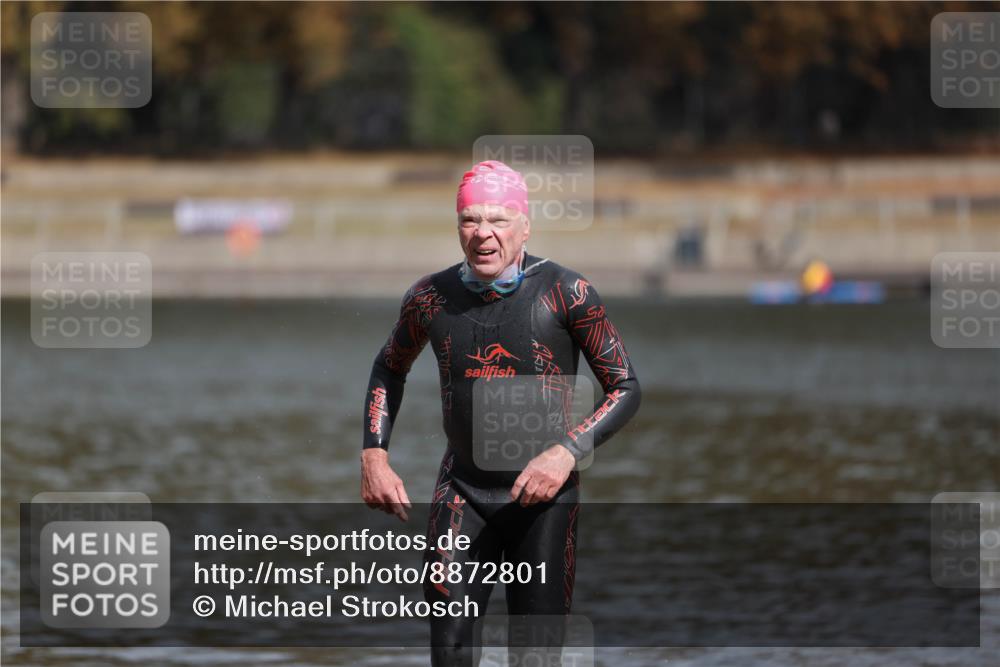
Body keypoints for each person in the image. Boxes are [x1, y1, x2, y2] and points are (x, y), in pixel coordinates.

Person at [360, 160, 641, 666]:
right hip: (462, 490)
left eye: (498, 220)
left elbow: (624, 387)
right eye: (470, 220)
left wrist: (565, 453)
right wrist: (374, 456)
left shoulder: (567, 293)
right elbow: (389, 368)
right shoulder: (429, 298)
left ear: (524, 226)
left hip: (545, 499)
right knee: (450, 651)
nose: (482, 233)